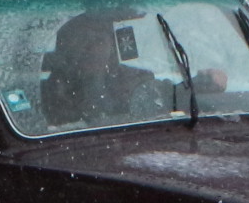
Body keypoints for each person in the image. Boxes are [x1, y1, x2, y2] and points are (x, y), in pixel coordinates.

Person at [39, 9, 177, 129]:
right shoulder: (50, 91)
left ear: (111, 47)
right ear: (66, 48)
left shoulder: (136, 78)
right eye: (81, 40)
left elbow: (170, 99)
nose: (90, 49)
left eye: (99, 40)